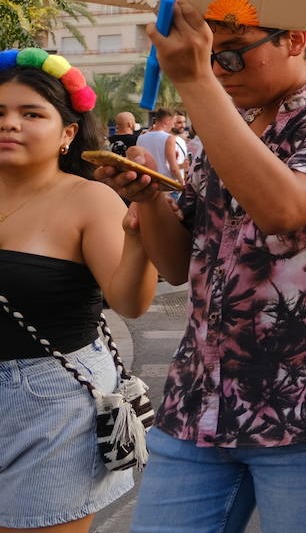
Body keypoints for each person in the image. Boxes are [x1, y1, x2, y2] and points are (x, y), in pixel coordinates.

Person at [95, 0, 306, 533]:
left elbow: (283, 209)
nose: (215, 73)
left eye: (229, 57)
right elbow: (176, 262)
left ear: (295, 38)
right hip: (195, 406)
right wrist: (146, 197)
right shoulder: (224, 122)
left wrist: (195, 84)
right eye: (209, 60)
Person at [0, 50, 157, 532]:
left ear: (68, 132)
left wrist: (138, 232)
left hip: (51, 402)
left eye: (31, 114)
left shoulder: (89, 198)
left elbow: (130, 302)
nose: (10, 125)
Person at [135, 108, 184, 186]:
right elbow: (173, 168)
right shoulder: (169, 138)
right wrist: (181, 182)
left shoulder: (141, 137)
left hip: (147, 182)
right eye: (173, 122)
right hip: (165, 183)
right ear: (167, 121)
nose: (172, 126)